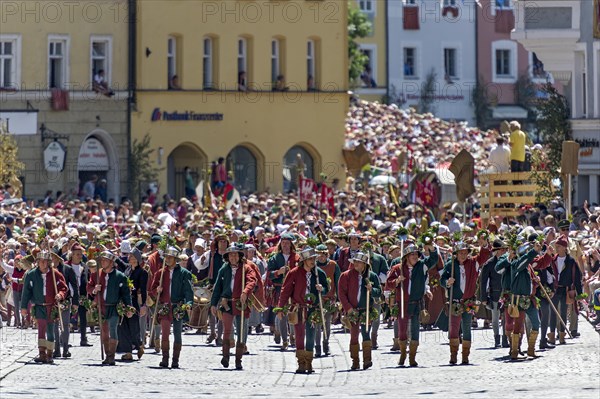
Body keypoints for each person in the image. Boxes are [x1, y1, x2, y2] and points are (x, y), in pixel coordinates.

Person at [277, 247, 329, 374]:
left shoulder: (319, 273)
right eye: (310, 259)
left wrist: (322, 288)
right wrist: (280, 307)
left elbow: (327, 289)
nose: (313, 261)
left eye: (314, 258)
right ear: (304, 260)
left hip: (313, 309)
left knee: (311, 335)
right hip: (298, 308)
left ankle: (309, 361)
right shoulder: (294, 273)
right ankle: (301, 363)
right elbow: (285, 290)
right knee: (299, 335)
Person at [386, 242, 438, 367]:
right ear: (407, 256)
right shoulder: (398, 268)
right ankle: (403, 353)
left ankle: (412, 357)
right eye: (412, 254)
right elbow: (389, 283)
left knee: (415, 329)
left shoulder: (422, 266)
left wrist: (431, 247)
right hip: (402, 303)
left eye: (417, 254)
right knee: (402, 330)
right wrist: (397, 280)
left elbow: (433, 260)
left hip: (416, 303)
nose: (415, 257)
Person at [210, 243, 257, 370]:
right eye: (230, 255)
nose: (233, 257)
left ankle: (238, 360)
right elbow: (217, 288)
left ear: (239, 256)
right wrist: (213, 304)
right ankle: (225, 356)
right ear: (227, 257)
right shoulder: (223, 269)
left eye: (235, 255)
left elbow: (252, 281)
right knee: (227, 330)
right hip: (227, 303)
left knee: (241, 332)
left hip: (241, 303)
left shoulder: (246, 268)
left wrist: (245, 292)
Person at [20, 251, 68, 364]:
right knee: (41, 328)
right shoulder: (31, 275)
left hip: (51, 306)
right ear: (37, 262)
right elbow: (26, 292)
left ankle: (50, 354)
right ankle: (42, 353)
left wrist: (60, 295)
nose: (43, 263)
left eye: (45, 261)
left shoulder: (55, 274)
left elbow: (63, 288)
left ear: (49, 262)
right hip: (39, 306)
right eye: (41, 261)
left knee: (51, 329)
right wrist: (23, 307)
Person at [150, 246, 194, 368]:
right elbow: (152, 289)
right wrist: (156, 291)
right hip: (165, 306)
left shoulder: (184, 273)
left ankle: (175, 360)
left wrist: (189, 303)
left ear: (175, 259)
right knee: (164, 333)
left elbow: (188, 291)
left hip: (178, 306)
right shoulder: (160, 273)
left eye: (170, 257)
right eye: (166, 257)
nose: (167, 259)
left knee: (177, 333)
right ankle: (165, 358)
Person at [88, 251, 134, 366]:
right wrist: (94, 290)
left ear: (112, 262)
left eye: (105, 260)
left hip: (114, 307)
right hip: (102, 307)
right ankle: (107, 354)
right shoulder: (96, 275)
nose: (103, 262)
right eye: (102, 260)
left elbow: (125, 294)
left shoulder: (120, 276)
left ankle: (111, 356)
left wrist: (129, 307)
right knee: (104, 331)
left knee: (113, 328)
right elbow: (89, 287)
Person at [338, 251, 382, 370]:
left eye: (359, 262)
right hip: (352, 310)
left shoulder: (371, 276)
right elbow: (341, 293)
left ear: (364, 264)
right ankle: (355, 360)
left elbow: (379, 291)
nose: (356, 264)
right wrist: (348, 308)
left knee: (366, 333)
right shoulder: (346, 276)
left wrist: (372, 290)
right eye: (355, 262)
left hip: (366, 310)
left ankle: (367, 360)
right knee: (354, 335)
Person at [440, 242, 480, 365]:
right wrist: (447, 282)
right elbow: (442, 280)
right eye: (461, 253)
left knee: (467, 326)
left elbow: (483, 256)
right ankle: (453, 354)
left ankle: (465, 356)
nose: (463, 255)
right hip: (455, 302)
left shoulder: (472, 264)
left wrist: (483, 244)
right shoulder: (450, 265)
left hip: (469, 301)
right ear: (456, 254)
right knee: (454, 327)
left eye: (465, 253)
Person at [266, 233, 299, 350]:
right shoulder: (274, 258)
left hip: (294, 290)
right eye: (283, 243)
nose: (285, 245)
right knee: (282, 315)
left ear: (291, 244)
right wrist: (278, 273)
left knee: (293, 313)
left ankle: (293, 336)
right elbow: (268, 275)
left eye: (287, 243)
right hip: (279, 289)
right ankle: (285, 339)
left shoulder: (297, 258)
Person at [547, 235, 582, 345]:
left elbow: (577, 278)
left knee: (563, 313)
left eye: (558, 246)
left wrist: (580, 294)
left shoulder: (571, 261)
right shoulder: (553, 260)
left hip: (566, 290)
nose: (556, 248)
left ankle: (562, 335)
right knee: (553, 312)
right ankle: (552, 335)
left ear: (564, 247)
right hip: (555, 290)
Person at [118, 248, 148, 361]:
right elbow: (118, 262)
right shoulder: (127, 270)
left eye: (132, 256)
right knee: (123, 326)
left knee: (133, 326)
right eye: (129, 256)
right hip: (124, 301)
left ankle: (139, 344)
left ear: (137, 259)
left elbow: (144, 290)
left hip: (134, 301)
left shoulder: (142, 272)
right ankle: (128, 352)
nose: (129, 258)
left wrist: (144, 305)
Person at [479, 239, 509, 348]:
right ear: (496, 251)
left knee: (506, 317)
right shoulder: (489, 264)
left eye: (504, 249)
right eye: (502, 250)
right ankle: (497, 338)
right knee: (495, 319)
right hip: (494, 294)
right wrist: (483, 297)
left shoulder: (507, 261)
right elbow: (483, 282)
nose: (504, 252)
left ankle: (506, 338)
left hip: (506, 294)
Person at [51, 249, 79, 359]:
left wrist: (75, 302)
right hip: (53, 301)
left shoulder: (67, 269)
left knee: (65, 325)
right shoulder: (49, 271)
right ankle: (56, 349)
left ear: (58, 259)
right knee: (54, 325)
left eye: (53, 258)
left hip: (65, 299)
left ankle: (66, 348)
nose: (52, 260)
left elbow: (74, 286)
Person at [313, 244, 340, 357]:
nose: (321, 258)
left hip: (329, 299)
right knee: (317, 324)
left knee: (327, 324)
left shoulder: (333, 265)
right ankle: (317, 346)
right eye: (319, 255)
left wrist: (339, 299)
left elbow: (338, 282)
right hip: (316, 300)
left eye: (323, 255)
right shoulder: (312, 266)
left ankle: (326, 343)